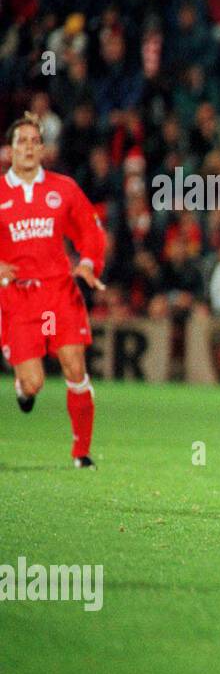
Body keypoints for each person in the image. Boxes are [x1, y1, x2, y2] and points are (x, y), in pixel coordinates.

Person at [0, 113, 107, 467]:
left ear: (43, 149)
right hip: (17, 296)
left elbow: (90, 231)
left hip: (59, 293)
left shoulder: (63, 189)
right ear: (9, 150)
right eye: (21, 142)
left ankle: (82, 452)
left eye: (34, 141)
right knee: (35, 383)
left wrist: (89, 263)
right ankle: (23, 387)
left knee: (74, 366)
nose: (28, 147)